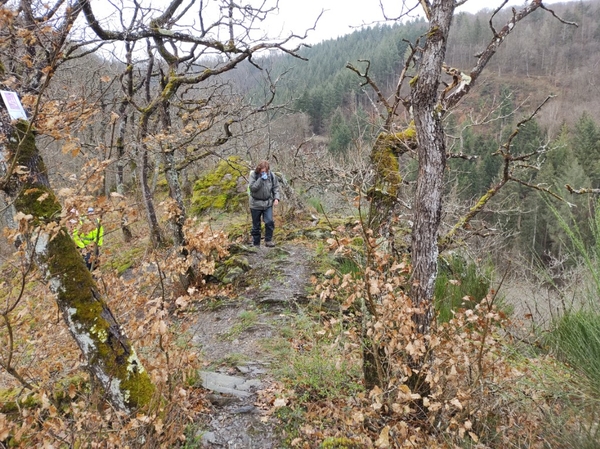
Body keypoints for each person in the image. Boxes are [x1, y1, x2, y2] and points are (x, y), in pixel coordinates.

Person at [248, 160, 280, 247]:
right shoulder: (253, 175)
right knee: (256, 225)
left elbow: (275, 188)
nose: (264, 172)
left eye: (265, 171)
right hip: (255, 203)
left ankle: (268, 240)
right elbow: (253, 188)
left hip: (267, 203)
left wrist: (276, 198)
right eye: (262, 171)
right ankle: (256, 243)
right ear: (259, 169)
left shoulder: (272, 176)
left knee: (269, 221)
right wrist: (261, 179)